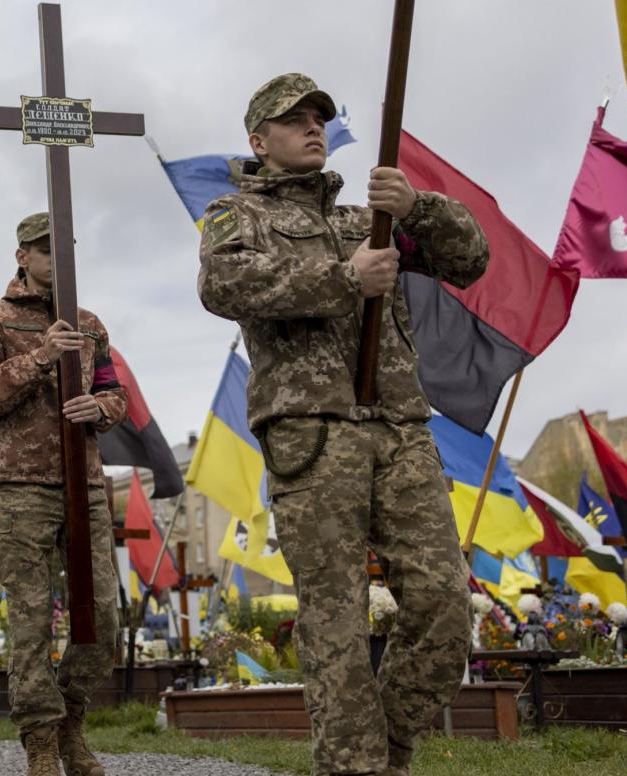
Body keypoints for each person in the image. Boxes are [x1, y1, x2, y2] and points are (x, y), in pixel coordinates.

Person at [196, 73, 489, 776]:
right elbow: (222, 287)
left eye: (317, 118)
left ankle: (386, 746)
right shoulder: (234, 214)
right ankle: (353, 766)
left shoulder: (367, 219)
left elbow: (468, 260)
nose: (311, 127)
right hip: (312, 435)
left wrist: (416, 207)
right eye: (292, 119)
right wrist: (341, 279)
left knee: (446, 603)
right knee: (336, 620)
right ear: (257, 141)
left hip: (398, 427)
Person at [0, 214, 127, 776]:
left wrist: (101, 408)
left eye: (65, 249)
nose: (57, 259)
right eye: (44, 249)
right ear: (21, 256)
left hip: (83, 482)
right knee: (32, 618)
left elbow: (114, 392)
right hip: (22, 487)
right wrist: (39, 358)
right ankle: (39, 736)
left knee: (102, 615)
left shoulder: (89, 323)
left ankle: (72, 720)